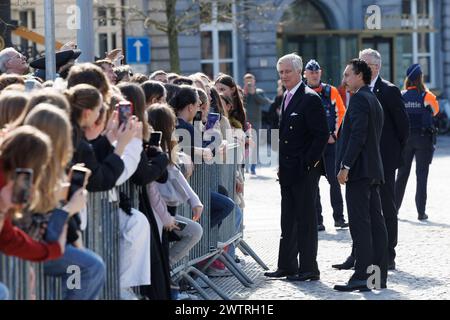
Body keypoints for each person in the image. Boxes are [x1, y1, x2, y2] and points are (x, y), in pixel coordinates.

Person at [334, 49, 410, 271]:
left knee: (384, 210)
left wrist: (392, 156)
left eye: (365, 65)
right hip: (365, 161)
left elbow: (403, 128)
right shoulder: (358, 91)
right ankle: (358, 255)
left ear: (375, 67)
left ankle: (386, 255)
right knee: (364, 213)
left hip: (382, 161)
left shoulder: (388, 91)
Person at [264, 53, 329, 281]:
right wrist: (281, 164)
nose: (284, 76)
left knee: (306, 220)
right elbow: (284, 137)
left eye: (288, 71)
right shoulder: (286, 97)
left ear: (299, 71)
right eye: (281, 72)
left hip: (304, 170)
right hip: (288, 169)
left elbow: (321, 136)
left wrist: (307, 163)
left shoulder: (310, 98)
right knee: (288, 218)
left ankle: (309, 268)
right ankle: (287, 265)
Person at [334, 59, 388, 292]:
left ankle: (361, 276)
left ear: (360, 76)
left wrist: (345, 166)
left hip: (359, 172)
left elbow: (358, 137)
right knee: (376, 223)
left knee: (361, 225)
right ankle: (377, 277)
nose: (344, 80)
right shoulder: (372, 99)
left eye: (347, 75)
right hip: (372, 170)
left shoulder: (359, 100)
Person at [303, 59, 348, 231]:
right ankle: (317, 220)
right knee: (313, 183)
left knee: (334, 180)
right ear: (305, 74)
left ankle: (339, 218)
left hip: (329, 145)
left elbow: (341, 113)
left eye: (316, 72)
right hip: (312, 146)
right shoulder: (302, 92)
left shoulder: (331, 91)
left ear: (320, 73)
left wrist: (334, 134)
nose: (314, 75)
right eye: (311, 72)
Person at [395, 64, 439, 221]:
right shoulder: (427, 96)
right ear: (420, 78)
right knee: (422, 176)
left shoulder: (401, 95)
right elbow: (435, 111)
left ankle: (394, 209)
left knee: (401, 175)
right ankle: (421, 212)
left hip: (405, 140)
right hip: (423, 139)